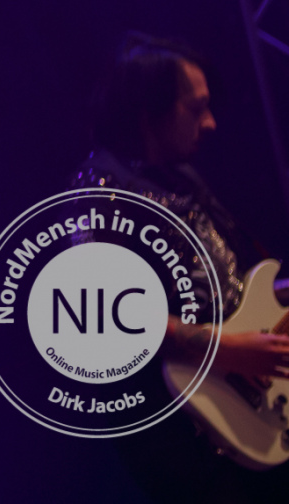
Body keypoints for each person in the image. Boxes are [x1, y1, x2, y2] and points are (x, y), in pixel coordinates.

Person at [69, 33, 289, 503]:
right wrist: (224, 349)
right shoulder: (99, 193)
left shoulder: (179, 176)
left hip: (243, 406)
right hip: (183, 436)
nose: (210, 123)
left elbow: (232, 289)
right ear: (148, 112)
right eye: (196, 108)